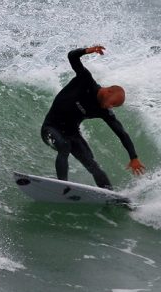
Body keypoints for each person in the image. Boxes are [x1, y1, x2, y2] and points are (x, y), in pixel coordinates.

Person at [41, 45, 145, 190]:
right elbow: (72, 57)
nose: (110, 107)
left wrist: (133, 157)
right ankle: (62, 185)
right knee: (64, 146)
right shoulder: (86, 81)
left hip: (72, 134)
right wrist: (85, 51)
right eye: (113, 103)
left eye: (114, 107)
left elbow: (121, 132)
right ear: (108, 91)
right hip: (50, 128)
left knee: (92, 163)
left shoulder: (103, 110)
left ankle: (109, 194)